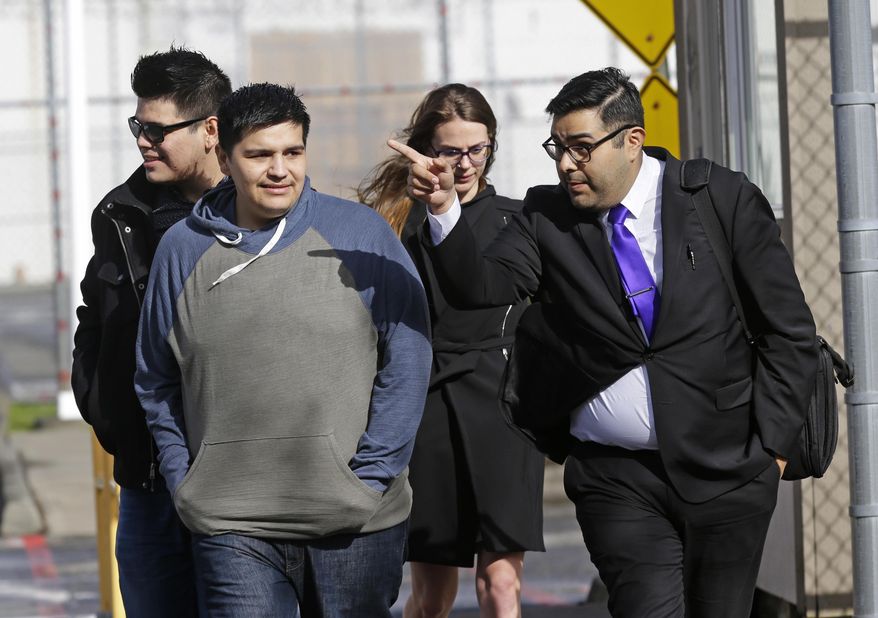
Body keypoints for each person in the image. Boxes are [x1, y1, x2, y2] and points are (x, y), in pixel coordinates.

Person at [389, 67, 819, 618]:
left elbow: (787, 330)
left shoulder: (718, 198)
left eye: (582, 148)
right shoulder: (545, 216)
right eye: (558, 148)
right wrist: (445, 210)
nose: (567, 163)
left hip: (728, 470)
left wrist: (772, 455)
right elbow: (481, 287)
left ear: (631, 141)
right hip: (614, 478)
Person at [134, 82, 432, 617]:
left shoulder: (359, 234)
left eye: (292, 152)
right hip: (231, 522)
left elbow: (408, 357)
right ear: (224, 157)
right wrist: (188, 479)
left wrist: (370, 477)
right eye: (260, 155)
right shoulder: (182, 248)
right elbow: (155, 376)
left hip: (355, 521)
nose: (279, 170)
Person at [359, 84, 544, 618]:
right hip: (427, 410)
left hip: (504, 410)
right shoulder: (394, 225)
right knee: (432, 594)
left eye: (477, 149)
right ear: (425, 150)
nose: (464, 164)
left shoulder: (519, 219)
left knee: (500, 585)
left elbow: (482, 287)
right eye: (449, 151)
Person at [71, 46, 231, 617]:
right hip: (147, 478)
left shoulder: (258, 209)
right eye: (138, 125)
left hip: (238, 481)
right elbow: (96, 321)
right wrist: (103, 408)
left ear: (211, 129)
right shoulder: (119, 213)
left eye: (159, 130)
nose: (143, 141)